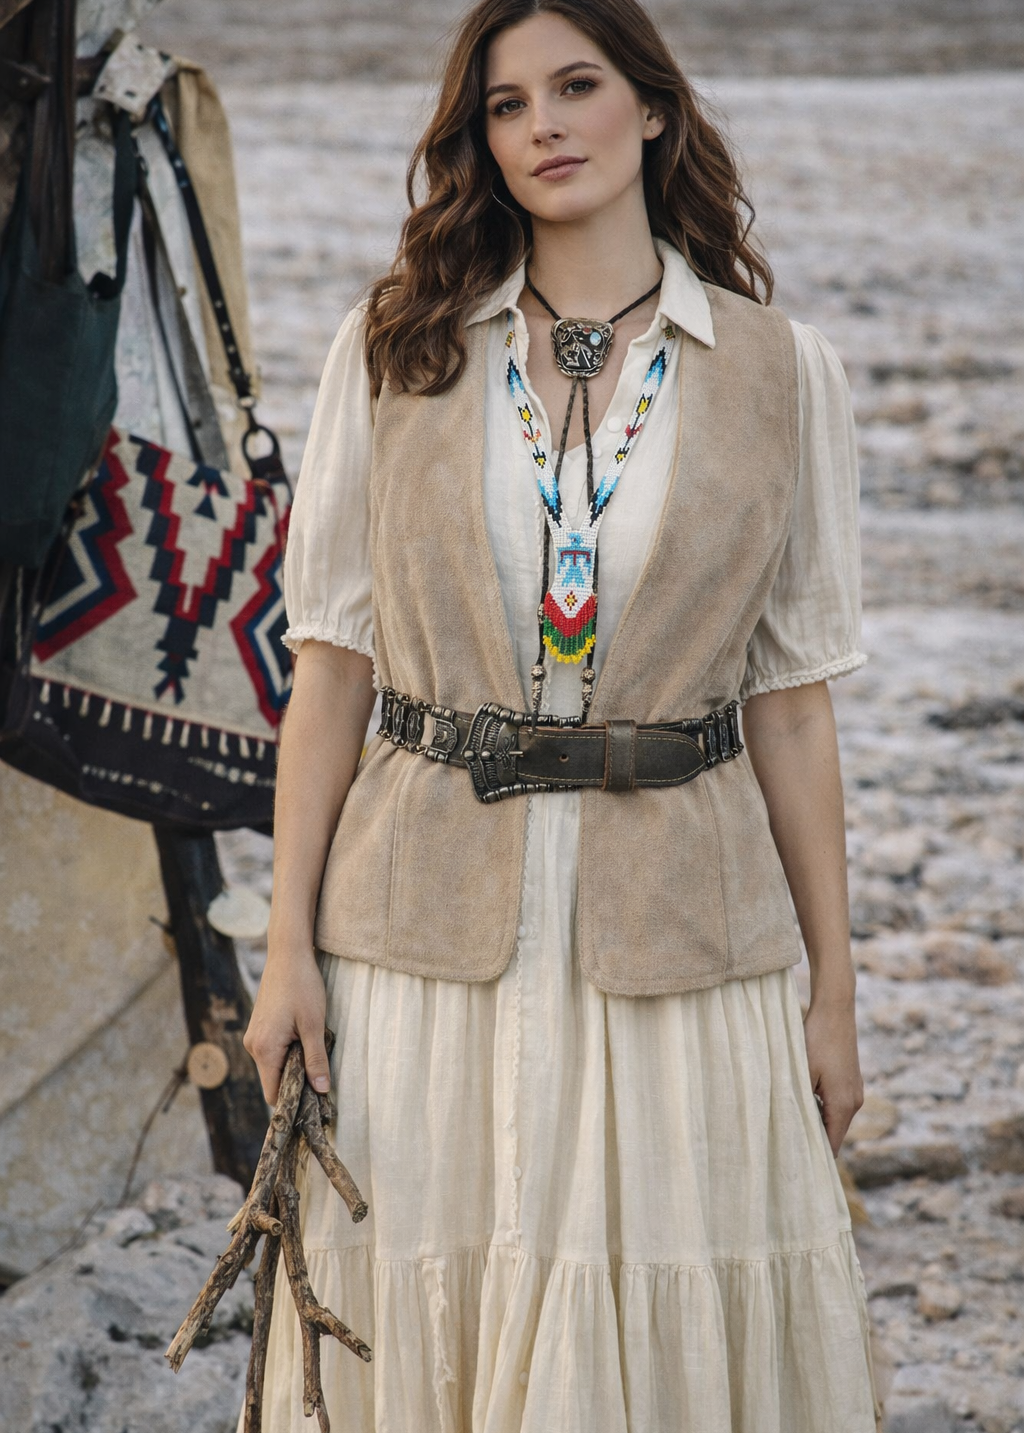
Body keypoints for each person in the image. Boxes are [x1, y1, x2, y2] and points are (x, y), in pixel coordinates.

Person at [243, 1, 883, 1428]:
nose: (543, 126)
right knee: (421, 1314)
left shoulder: (784, 372)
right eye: (506, 104)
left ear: (652, 108)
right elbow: (332, 670)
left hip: (680, 941)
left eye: (576, 86)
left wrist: (834, 995)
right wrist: (286, 951)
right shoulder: (394, 348)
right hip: (419, 935)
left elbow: (790, 709)